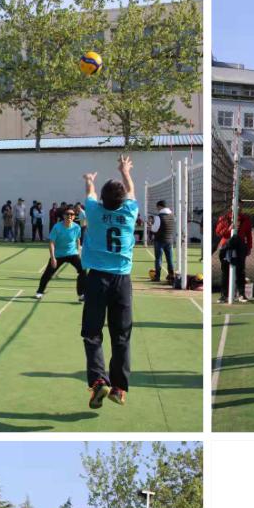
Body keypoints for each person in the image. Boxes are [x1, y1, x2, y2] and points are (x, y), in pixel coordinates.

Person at [81, 155, 140, 409]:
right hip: (121, 281)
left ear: (103, 200)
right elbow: (131, 190)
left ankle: (98, 381)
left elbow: (90, 193)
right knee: (121, 335)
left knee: (92, 332)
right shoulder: (130, 212)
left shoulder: (94, 212)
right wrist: (125, 171)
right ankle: (118, 388)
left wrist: (90, 181)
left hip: (97, 279)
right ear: (122, 200)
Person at [36, 206, 84, 302]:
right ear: (63, 216)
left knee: (83, 271)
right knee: (48, 274)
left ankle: (81, 294)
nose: (69, 216)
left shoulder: (77, 227)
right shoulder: (57, 227)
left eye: (72, 214)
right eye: (67, 214)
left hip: (72, 253)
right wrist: (53, 258)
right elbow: (51, 243)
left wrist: (78, 250)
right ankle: (40, 291)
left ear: (74, 216)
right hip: (59, 255)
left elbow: (78, 239)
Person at [215, 209, 252, 303]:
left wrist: (249, 247)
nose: (238, 207)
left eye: (240, 204)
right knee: (225, 272)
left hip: (240, 247)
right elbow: (218, 232)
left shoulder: (245, 219)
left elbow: (248, 234)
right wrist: (229, 229)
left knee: (240, 271)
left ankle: (241, 294)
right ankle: (224, 295)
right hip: (226, 246)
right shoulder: (224, 218)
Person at [150, 199, 176, 283]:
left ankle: (157, 277)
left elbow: (154, 229)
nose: (157, 209)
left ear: (160, 206)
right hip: (169, 240)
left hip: (159, 240)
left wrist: (151, 226)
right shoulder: (172, 215)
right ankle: (171, 275)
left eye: (157, 207)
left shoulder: (159, 217)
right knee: (170, 259)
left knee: (158, 259)